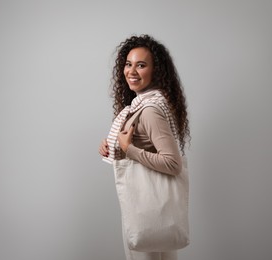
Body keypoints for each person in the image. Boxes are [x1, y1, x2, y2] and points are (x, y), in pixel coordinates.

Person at [99, 34, 190, 260]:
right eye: (128, 64)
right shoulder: (148, 103)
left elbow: (172, 163)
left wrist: (128, 149)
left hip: (145, 207)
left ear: (155, 71)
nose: (132, 71)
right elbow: (144, 144)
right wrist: (113, 145)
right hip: (156, 208)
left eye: (141, 65)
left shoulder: (149, 109)